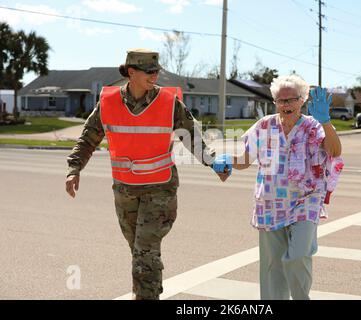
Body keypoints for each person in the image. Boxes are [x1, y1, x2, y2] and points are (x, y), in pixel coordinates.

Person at [65, 48, 224, 300]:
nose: (154, 75)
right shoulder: (107, 102)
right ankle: (146, 291)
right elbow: (88, 138)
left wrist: (213, 162)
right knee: (138, 252)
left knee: (145, 252)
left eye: (156, 71)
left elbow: (192, 136)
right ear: (131, 72)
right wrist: (74, 168)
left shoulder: (170, 102)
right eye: (149, 71)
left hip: (159, 189)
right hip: (125, 191)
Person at [212, 74, 344, 300]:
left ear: (302, 100)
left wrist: (326, 121)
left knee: (298, 256)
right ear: (275, 102)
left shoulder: (313, 126)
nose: (286, 105)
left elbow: (334, 151)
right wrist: (226, 160)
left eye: (292, 99)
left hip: (306, 199)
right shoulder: (264, 126)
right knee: (273, 266)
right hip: (270, 202)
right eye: (281, 101)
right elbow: (245, 159)